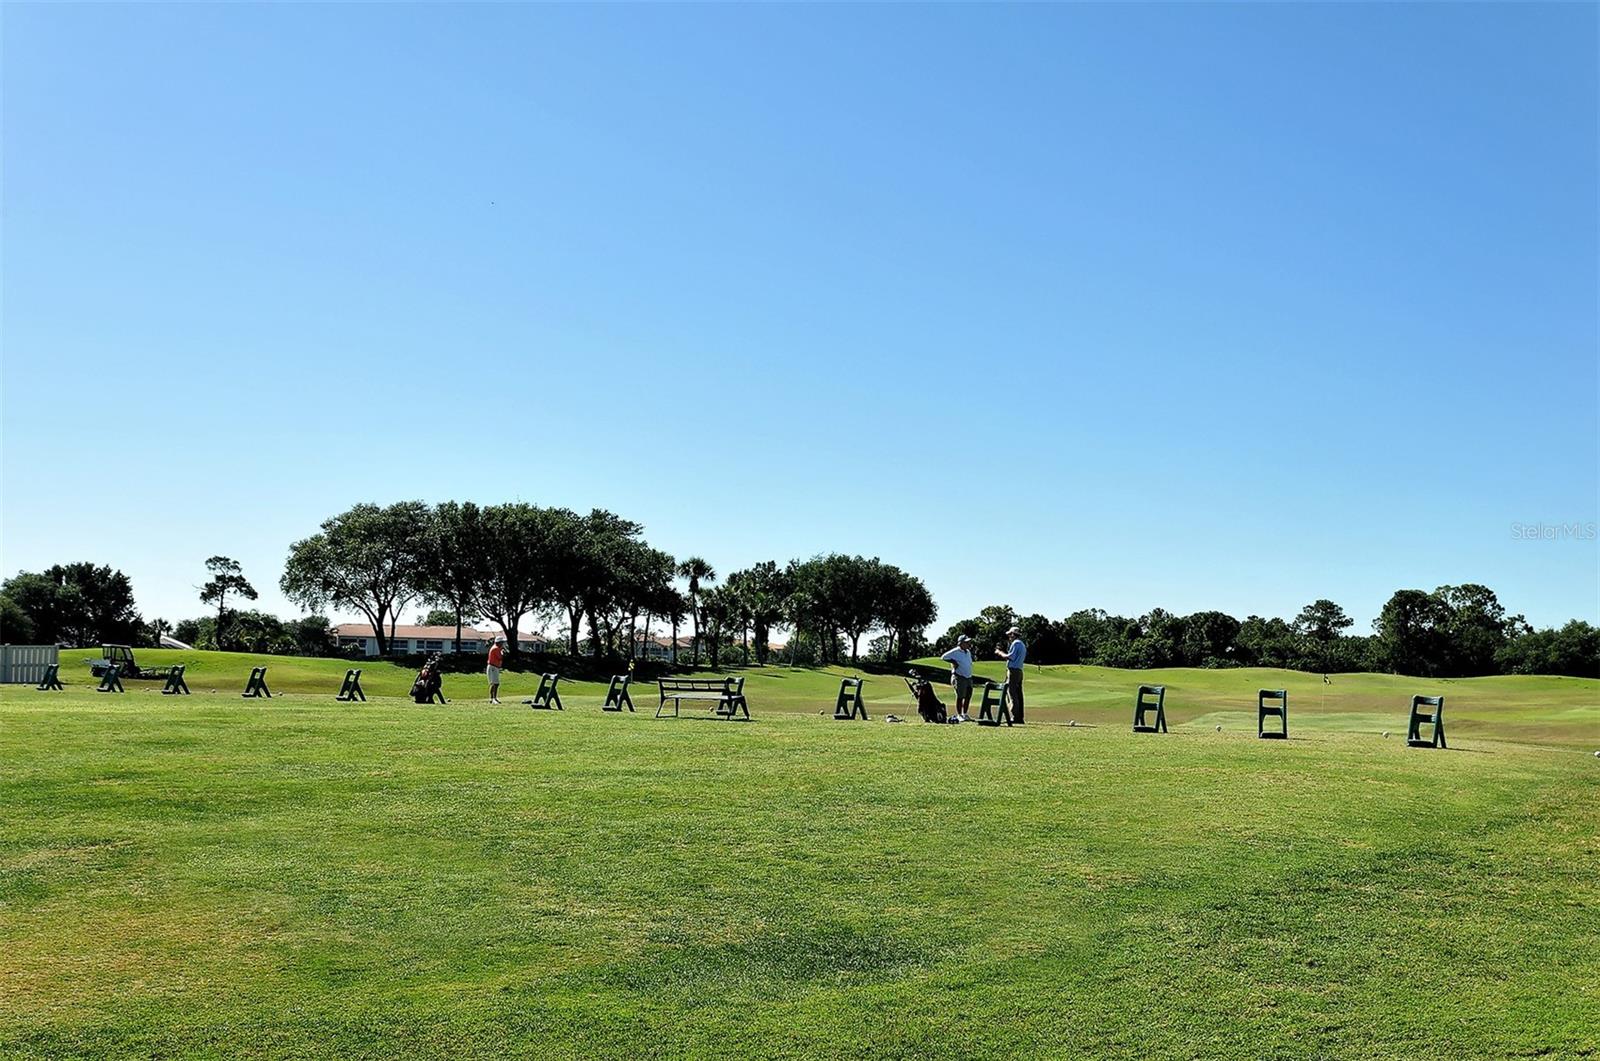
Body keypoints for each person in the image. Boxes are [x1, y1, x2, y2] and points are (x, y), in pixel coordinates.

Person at [940, 634, 976, 722]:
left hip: (968, 677)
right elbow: (943, 657)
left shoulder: (968, 652)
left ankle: (965, 714)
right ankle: (959, 714)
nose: (968, 644)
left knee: (968, 695)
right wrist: (953, 662)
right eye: (966, 642)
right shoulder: (955, 651)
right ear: (961, 643)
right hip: (959, 676)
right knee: (960, 696)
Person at [996, 625, 1026, 723]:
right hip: (1019, 671)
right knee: (1018, 694)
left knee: (1012, 694)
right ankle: (1019, 717)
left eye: (1010, 635)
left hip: (1013, 671)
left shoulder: (1016, 643)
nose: (1009, 637)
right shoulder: (1022, 644)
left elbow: (1010, 657)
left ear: (1013, 634)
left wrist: (999, 652)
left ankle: (1015, 716)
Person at [486, 636, 505, 704]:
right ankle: (494, 699)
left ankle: (492, 699)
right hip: (493, 667)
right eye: (502, 642)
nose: (503, 644)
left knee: (494, 684)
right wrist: (502, 652)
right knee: (495, 684)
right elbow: (500, 657)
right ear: (498, 642)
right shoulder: (496, 649)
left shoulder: (496, 648)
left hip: (493, 667)